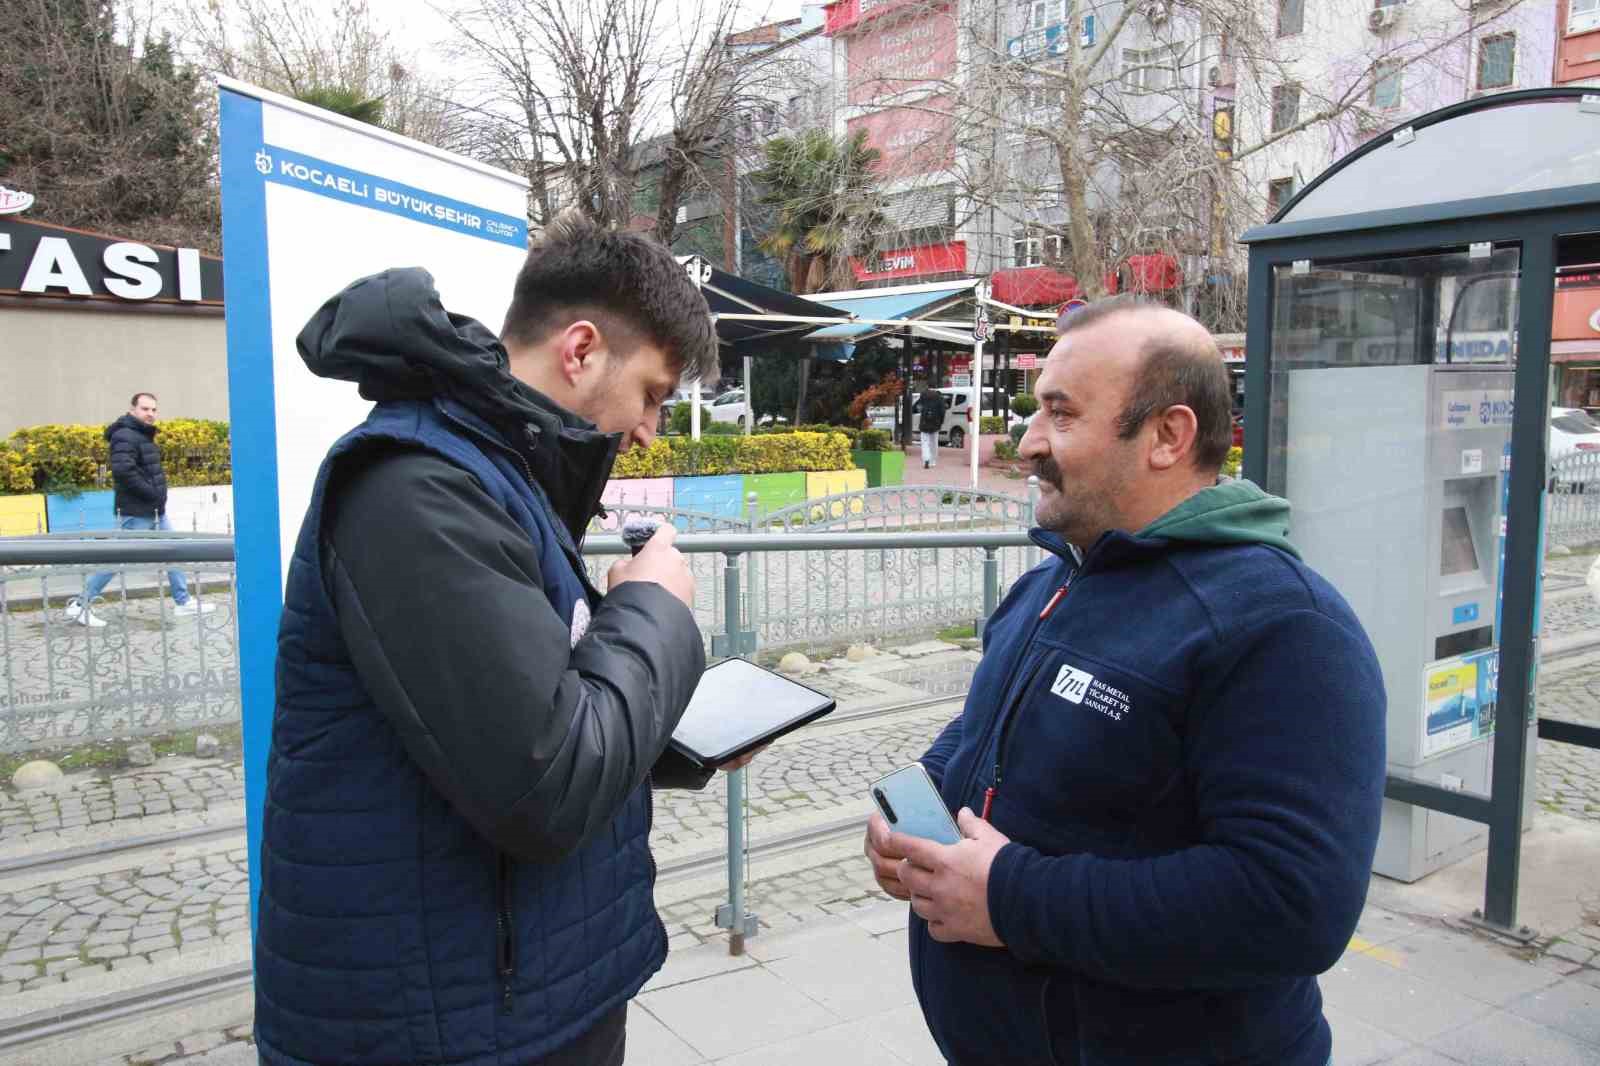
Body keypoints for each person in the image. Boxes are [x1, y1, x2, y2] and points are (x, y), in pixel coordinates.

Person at [254, 213, 746, 1066]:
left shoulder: (499, 475)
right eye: (655, 394)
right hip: (444, 1026)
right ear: (582, 349)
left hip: (518, 996)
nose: (650, 430)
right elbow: (544, 782)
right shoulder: (421, 486)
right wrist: (655, 611)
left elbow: (511, 718)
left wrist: (672, 736)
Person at [864, 297, 1385, 1066]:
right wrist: (924, 794)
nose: (1028, 440)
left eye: (1061, 414)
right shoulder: (1054, 579)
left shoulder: (1285, 627)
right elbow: (987, 726)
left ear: (1168, 436)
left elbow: (1290, 905)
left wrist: (1009, 896)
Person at [65, 392, 215, 627]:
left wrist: (155, 498)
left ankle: (183, 602)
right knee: (117, 558)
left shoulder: (142, 435)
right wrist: (151, 493)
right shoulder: (125, 435)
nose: (151, 414)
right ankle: (79, 605)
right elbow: (124, 471)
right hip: (137, 511)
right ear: (133, 409)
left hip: (154, 510)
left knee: (173, 550)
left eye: (154, 410)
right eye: (145, 409)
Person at [912, 385, 947, 469]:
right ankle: (933, 461)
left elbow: (915, 407)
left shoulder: (923, 395)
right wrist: (941, 422)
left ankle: (926, 459)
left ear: (928, 386)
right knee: (934, 443)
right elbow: (943, 411)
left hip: (924, 422)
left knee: (925, 442)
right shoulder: (939, 396)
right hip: (935, 423)